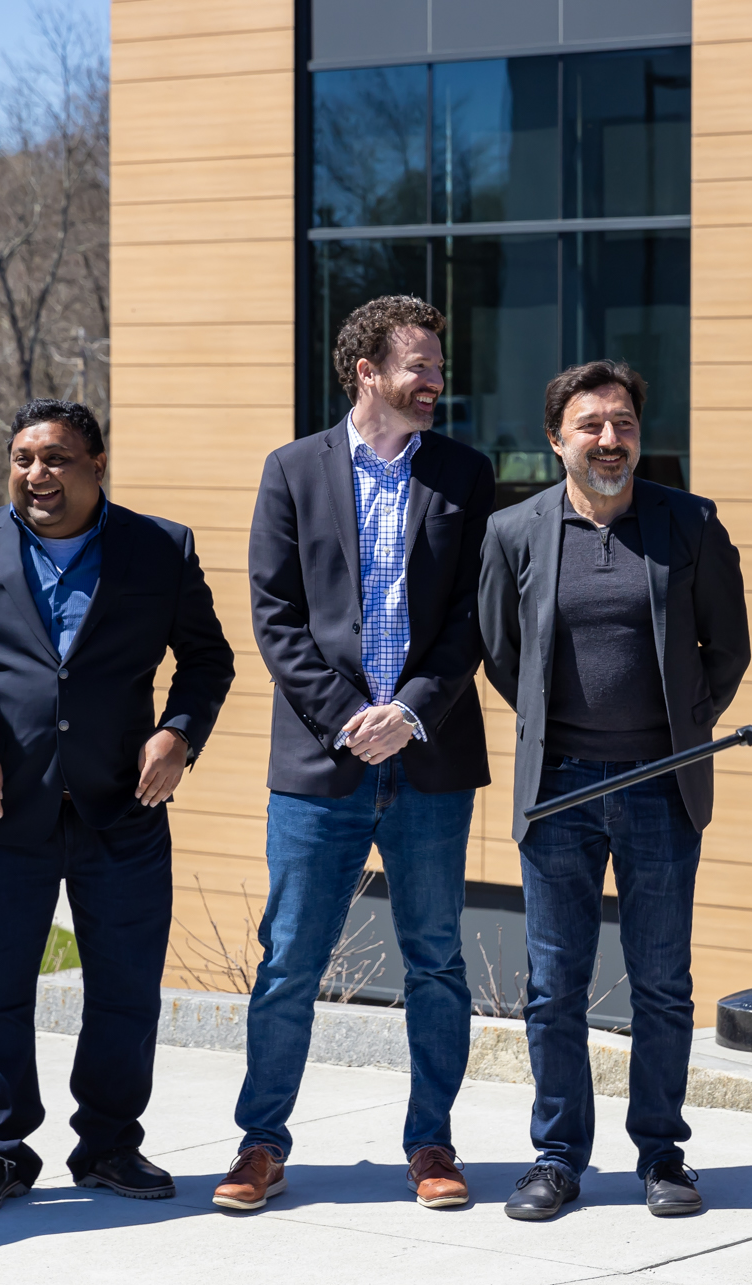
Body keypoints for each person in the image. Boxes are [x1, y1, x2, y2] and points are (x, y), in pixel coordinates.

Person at [0, 398, 234, 1217]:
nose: (35, 475)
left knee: (125, 991)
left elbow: (207, 659)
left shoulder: (161, 547)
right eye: (22, 459)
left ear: (95, 466)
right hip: (5, 807)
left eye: (54, 460)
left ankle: (111, 1144)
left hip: (124, 804)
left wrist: (179, 735)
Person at [222, 295, 495, 1212]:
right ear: (365, 372)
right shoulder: (293, 470)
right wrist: (350, 717)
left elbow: (472, 620)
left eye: (437, 363)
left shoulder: (466, 473)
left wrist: (410, 711)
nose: (435, 380)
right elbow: (275, 615)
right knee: (290, 959)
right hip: (320, 763)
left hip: (429, 757)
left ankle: (432, 1143)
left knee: (436, 960)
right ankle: (261, 1144)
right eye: (418, 364)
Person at [480, 360, 750, 1222]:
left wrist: (677, 730)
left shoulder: (690, 525)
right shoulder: (515, 531)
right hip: (555, 789)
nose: (610, 439)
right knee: (555, 984)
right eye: (591, 424)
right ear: (556, 439)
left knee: (661, 982)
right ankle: (557, 1157)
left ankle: (662, 1154)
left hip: (660, 789)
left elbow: (730, 649)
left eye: (624, 423)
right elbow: (499, 651)